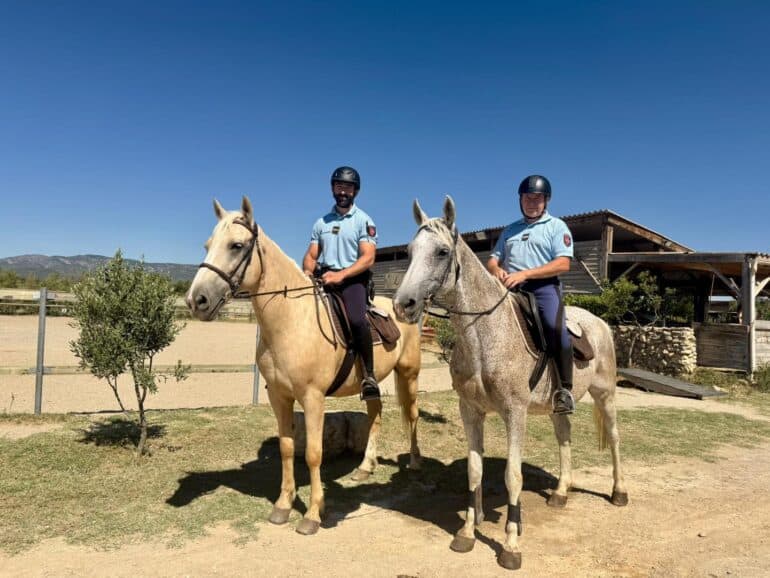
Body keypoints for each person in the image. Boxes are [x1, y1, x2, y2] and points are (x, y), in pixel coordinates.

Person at [486, 175, 576, 414]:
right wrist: (497, 271)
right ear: (520, 200)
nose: (532, 203)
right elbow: (493, 260)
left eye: (537, 199)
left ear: (546, 201)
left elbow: (563, 263)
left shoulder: (556, 227)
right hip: (510, 288)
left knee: (555, 328)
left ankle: (564, 391)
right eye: (527, 198)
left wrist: (525, 274)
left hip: (543, 288)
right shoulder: (510, 230)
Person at [302, 166, 381, 401]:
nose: (343, 191)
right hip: (324, 278)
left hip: (353, 280)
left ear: (355, 191)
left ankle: (369, 376)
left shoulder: (363, 220)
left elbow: (368, 258)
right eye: (339, 186)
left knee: (357, 319)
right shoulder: (321, 223)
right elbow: (311, 255)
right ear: (332, 189)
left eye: (347, 187)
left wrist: (342, 275)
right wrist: (307, 271)